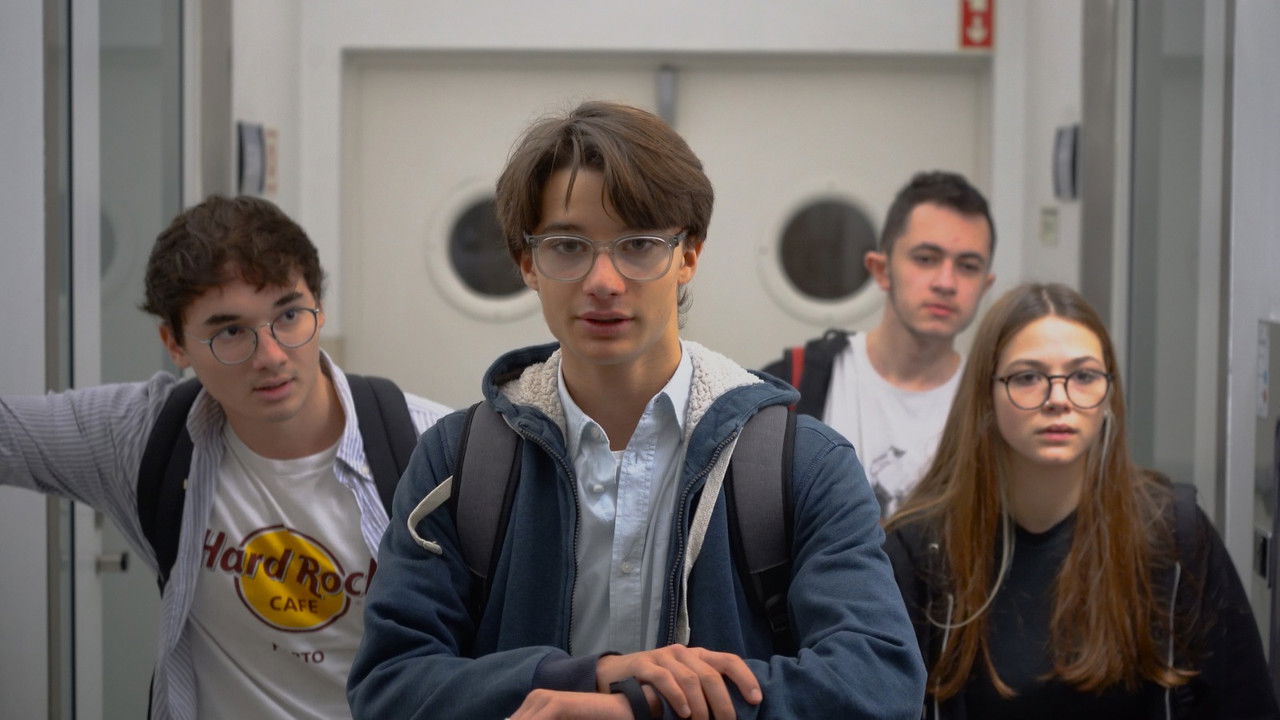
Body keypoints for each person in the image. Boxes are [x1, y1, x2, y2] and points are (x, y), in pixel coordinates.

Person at [348, 101, 926, 719]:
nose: (604, 279)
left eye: (639, 244)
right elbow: (390, 686)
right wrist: (587, 676)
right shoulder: (460, 464)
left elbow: (880, 683)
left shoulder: (800, 463)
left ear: (689, 255)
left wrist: (634, 710)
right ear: (527, 263)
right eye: (568, 245)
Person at [0, 195, 451, 719]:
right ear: (174, 343)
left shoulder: (435, 450)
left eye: (289, 315)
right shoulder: (149, 437)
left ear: (319, 308)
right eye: (230, 331)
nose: (272, 355)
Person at [883, 282, 1279, 718]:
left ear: (1109, 395)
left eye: (1084, 376)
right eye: (1028, 377)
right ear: (987, 396)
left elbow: (1246, 706)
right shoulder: (921, 547)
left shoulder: (1173, 534)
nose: (1058, 400)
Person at [763, 171, 996, 517]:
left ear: (985, 284)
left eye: (968, 266)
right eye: (926, 259)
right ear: (881, 270)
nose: (946, 282)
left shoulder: (994, 402)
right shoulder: (798, 382)